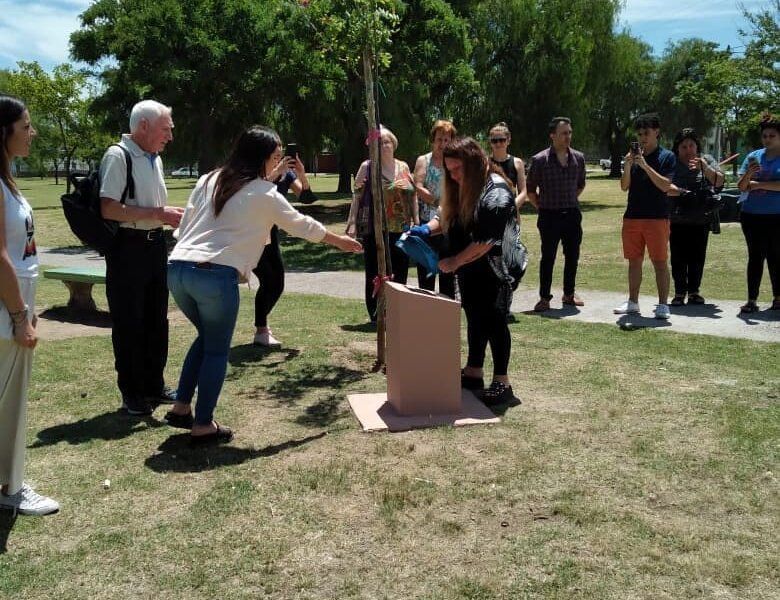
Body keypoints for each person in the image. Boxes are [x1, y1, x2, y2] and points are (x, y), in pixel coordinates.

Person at [164, 126, 362, 444]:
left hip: (177, 269)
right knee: (216, 349)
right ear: (262, 158)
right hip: (213, 275)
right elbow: (302, 225)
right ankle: (203, 424)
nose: (277, 163)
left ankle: (181, 407)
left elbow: (186, 225)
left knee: (207, 339)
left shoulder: (209, 179)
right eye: (275, 157)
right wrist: (340, 241)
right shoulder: (264, 193)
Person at [408, 137, 518, 405]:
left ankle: (503, 383)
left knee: (494, 320)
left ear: (474, 162)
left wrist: (455, 261)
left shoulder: (497, 191)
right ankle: (473, 371)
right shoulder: (464, 185)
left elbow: (485, 241)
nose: (454, 175)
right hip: (473, 268)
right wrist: (425, 229)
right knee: (474, 315)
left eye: (458, 169)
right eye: (450, 170)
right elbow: (446, 214)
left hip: (496, 266)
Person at [99, 100, 184, 416]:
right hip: (128, 248)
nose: (170, 137)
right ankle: (132, 392)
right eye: (166, 129)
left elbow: (150, 207)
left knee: (156, 319)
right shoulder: (118, 156)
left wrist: (165, 215)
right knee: (129, 321)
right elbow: (108, 208)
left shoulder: (154, 158)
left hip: (154, 245)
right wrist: (158, 213)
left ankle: (153, 385)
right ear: (144, 126)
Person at [0, 95, 59, 515]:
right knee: (10, 403)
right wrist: (20, 315)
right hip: (6, 312)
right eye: (25, 126)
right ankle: (11, 487)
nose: (32, 133)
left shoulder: (7, 182)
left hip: (15, 304)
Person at [346, 126, 417, 322]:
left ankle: (396, 312)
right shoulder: (367, 167)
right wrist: (352, 223)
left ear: (393, 144)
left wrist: (416, 221)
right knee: (375, 271)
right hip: (375, 229)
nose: (384, 145)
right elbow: (356, 196)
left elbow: (412, 195)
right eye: (379, 143)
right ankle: (376, 313)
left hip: (401, 227)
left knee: (400, 270)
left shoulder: (403, 166)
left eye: (386, 142)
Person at [252, 150, 318, 348]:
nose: (278, 158)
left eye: (280, 154)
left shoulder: (287, 174)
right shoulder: (254, 173)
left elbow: (306, 198)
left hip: (271, 233)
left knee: (277, 282)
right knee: (266, 279)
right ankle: (261, 330)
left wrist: (302, 175)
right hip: (251, 232)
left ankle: (262, 327)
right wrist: (275, 173)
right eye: (275, 154)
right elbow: (253, 192)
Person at [614, 113, 676, 320]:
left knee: (660, 262)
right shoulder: (633, 158)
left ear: (656, 132)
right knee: (634, 261)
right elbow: (624, 186)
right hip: (633, 216)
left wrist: (645, 166)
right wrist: (628, 165)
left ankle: (663, 304)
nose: (642, 138)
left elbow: (665, 186)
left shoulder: (667, 157)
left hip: (657, 218)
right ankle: (632, 302)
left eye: (646, 133)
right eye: (639, 134)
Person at [525, 116, 587, 312]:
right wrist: (542, 206)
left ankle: (569, 294)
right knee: (548, 257)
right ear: (553, 135)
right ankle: (544, 298)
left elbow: (580, 184)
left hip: (572, 214)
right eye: (563, 133)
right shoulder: (540, 160)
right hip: (549, 216)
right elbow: (530, 189)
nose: (567, 137)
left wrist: (569, 199)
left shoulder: (578, 158)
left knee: (572, 256)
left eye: (569, 133)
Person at [667, 128, 724, 306]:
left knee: (698, 257)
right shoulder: (671, 162)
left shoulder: (706, 160)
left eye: (691, 145)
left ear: (697, 146)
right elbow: (663, 185)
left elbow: (720, 182)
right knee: (677, 257)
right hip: (677, 218)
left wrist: (704, 167)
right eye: (683, 146)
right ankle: (679, 292)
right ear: (677, 148)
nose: (688, 150)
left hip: (701, 218)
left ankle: (694, 292)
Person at [736, 116, 780, 313]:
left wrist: (758, 185)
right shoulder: (753, 156)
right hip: (752, 215)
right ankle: (751, 300)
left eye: (772, 135)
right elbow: (742, 187)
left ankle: (778, 298)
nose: (767, 139)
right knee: (755, 257)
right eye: (765, 136)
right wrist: (748, 175)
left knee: (776, 256)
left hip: (777, 216)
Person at [412, 119, 456, 298]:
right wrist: (438, 201)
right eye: (439, 139)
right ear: (432, 140)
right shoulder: (424, 160)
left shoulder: (455, 162)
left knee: (448, 273)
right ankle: (426, 308)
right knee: (426, 274)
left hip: (448, 224)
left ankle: (447, 308)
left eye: (446, 140)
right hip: (426, 223)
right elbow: (417, 186)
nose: (442, 144)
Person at [488, 122, 528, 208]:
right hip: (489, 210)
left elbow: (523, 192)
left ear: (508, 141)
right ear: (490, 142)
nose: (498, 144)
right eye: (494, 141)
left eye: (502, 140)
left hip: (512, 210)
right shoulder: (485, 163)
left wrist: (510, 208)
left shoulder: (517, 163)